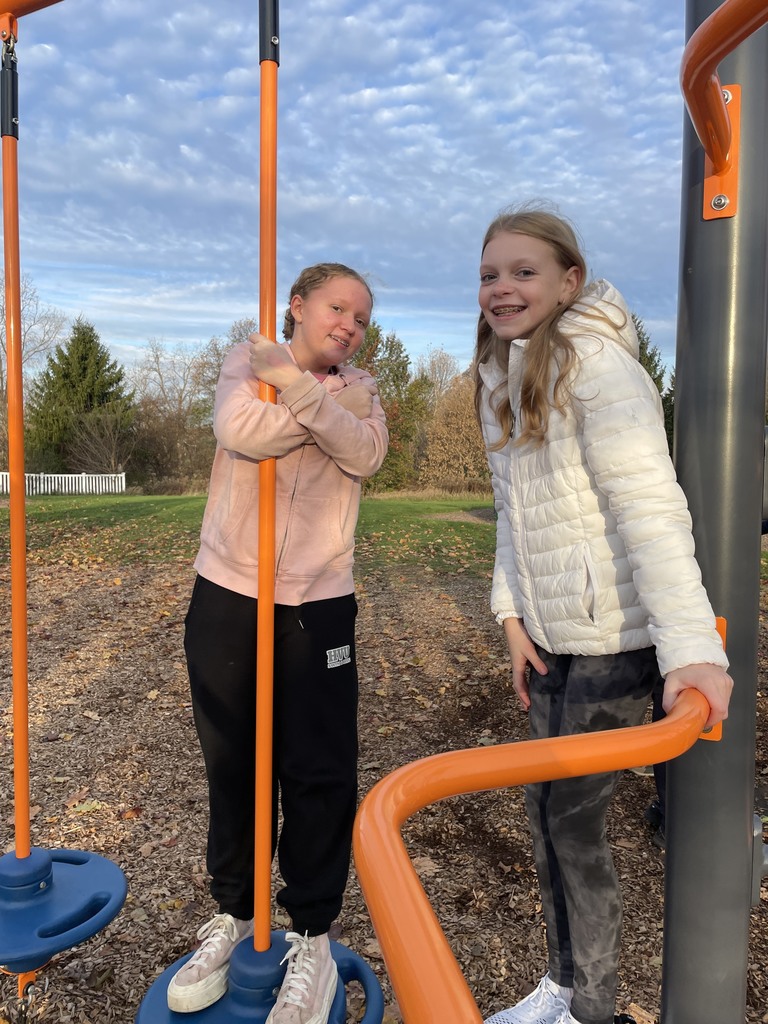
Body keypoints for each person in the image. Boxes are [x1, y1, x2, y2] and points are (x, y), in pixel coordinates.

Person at [472, 206, 733, 1024]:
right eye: (489, 274)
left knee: (575, 829)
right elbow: (512, 511)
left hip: (615, 642)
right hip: (552, 640)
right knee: (547, 820)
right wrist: (512, 617)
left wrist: (692, 649)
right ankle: (561, 986)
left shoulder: (598, 368)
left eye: (523, 271)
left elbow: (651, 509)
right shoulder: (500, 374)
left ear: (569, 281)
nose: (503, 288)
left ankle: (592, 1008)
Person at [166, 263, 388, 1021]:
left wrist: (296, 391)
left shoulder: (361, 386)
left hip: (319, 604)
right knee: (234, 761)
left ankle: (315, 939)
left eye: (360, 318)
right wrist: (316, 404)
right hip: (229, 589)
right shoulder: (247, 359)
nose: (349, 326)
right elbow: (240, 432)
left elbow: (364, 455)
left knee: (318, 771)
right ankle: (234, 915)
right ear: (298, 305)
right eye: (336, 308)